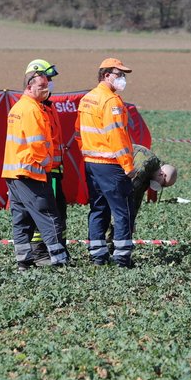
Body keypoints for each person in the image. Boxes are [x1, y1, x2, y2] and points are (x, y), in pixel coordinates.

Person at [2, 61, 69, 271]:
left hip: (13, 172)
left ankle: (23, 261)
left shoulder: (19, 107)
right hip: (31, 173)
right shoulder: (32, 110)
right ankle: (59, 260)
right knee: (49, 216)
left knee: (21, 219)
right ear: (30, 85)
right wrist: (48, 167)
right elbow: (37, 144)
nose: (47, 88)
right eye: (42, 85)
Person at [75, 58, 136, 268]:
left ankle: (98, 255)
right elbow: (117, 137)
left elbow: (78, 132)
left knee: (98, 208)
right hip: (111, 164)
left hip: (91, 163)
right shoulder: (111, 102)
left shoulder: (87, 99)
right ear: (106, 75)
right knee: (121, 211)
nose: (123, 79)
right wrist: (128, 166)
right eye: (119, 74)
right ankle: (122, 258)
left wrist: (87, 153)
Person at [25, 59, 68, 267]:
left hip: (54, 170)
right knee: (46, 214)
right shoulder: (33, 109)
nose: (50, 83)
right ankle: (41, 252)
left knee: (59, 211)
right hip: (42, 172)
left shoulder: (48, 107)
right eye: (47, 79)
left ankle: (59, 248)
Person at [129, 144, 177, 227]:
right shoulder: (145, 164)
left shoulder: (149, 177)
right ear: (162, 174)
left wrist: (131, 222)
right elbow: (127, 193)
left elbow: (136, 199)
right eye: (163, 184)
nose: (160, 187)